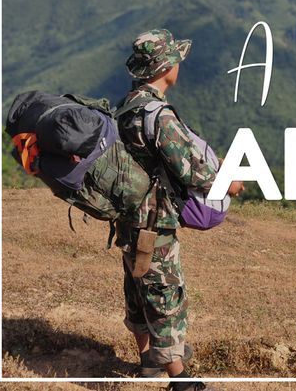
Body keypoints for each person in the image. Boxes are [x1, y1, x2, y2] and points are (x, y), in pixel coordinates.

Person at [115, 28, 243, 391]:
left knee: (138, 286)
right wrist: (227, 184)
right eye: (176, 61)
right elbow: (189, 167)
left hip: (127, 213)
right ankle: (179, 378)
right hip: (154, 218)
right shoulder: (159, 114)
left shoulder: (126, 107)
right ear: (166, 66)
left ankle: (147, 363)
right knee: (165, 290)